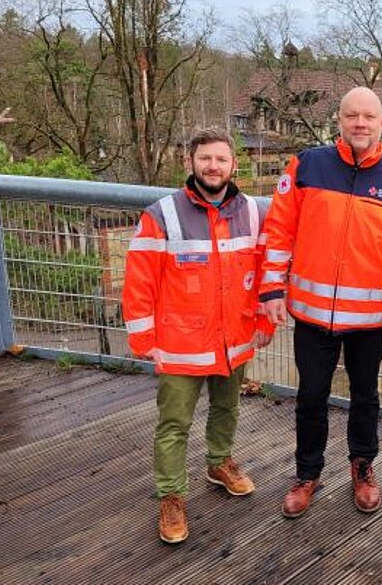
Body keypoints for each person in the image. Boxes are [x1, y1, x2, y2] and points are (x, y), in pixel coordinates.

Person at [259, 86, 382, 519]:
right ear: (340, 121)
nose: (360, 124)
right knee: (311, 396)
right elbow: (279, 231)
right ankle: (307, 473)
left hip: (369, 318)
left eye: (369, 117)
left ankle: (362, 466)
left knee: (365, 397)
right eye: (353, 116)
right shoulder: (309, 165)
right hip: (311, 314)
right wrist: (272, 289)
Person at [123, 128, 275, 544]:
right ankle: (171, 496)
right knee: (174, 424)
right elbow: (139, 283)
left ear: (233, 165)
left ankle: (219, 462)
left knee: (227, 410)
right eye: (205, 158)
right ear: (190, 163)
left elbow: (265, 275)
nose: (213, 166)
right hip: (180, 345)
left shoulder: (252, 212)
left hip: (234, 340)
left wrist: (265, 323)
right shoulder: (162, 215)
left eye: (220, 160)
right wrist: (144, 339)